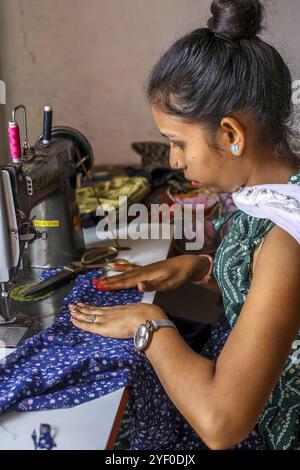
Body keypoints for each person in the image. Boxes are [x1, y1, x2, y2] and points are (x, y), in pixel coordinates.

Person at [69, 0, 300, 450]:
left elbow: (220, 424)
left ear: (232, 135)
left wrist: (148, 324)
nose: (174, 160)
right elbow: (274, 299)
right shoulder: (274, 196)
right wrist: (199, 268)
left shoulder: (286, 240)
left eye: (177, 143)